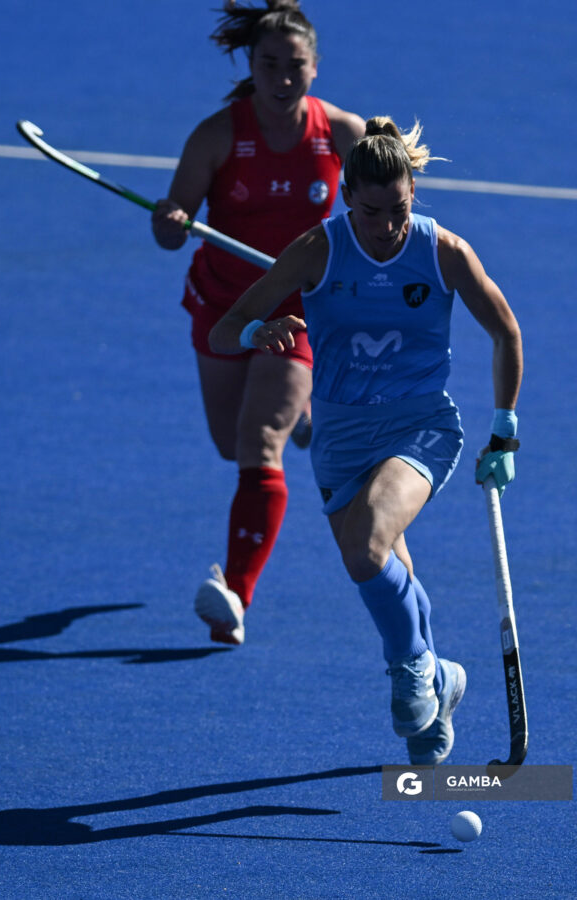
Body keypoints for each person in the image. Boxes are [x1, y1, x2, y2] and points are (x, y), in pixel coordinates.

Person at [208, 116, 523, 765]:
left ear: (414, 195)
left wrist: (504, 432)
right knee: (368, 562)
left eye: (400, 210)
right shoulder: (318, 250)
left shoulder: (443, 252)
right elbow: (226, 328)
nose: (386, 227)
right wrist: (253, 336)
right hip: (341, 436)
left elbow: (506, 333)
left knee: (367, 540)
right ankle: (440, 675)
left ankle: (411, 670)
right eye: (373, 212)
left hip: (420, 426)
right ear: (347, 196)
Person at [151, 0, 365, 646]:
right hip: (223, 306)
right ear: (251, 65)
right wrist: (170, 222)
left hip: (297, 310)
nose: (281, 77)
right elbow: (171, 230)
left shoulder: (345, 136)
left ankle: (236, 596)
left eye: (294, 65)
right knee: (230, 442)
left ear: (315, 68)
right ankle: (297, 413)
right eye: (268, 64)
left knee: (258, 444)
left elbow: (385, 212)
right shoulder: (217, 136)